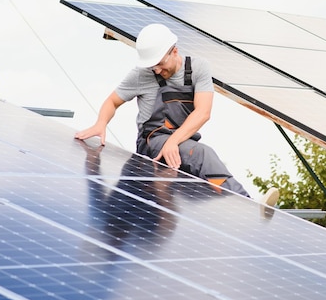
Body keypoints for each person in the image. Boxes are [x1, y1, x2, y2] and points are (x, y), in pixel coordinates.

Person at [75, 23, 279, 208]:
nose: (157, 69)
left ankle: (233, 210)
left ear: (174, 51)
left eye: (160, 63)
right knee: (201, 155)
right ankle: (249, 206)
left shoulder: (199, 69)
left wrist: (173, 141)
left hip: (180, 144)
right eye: (152, 65)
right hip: (151, 143)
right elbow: (112, 101)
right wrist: (101, 123)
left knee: (195, 194)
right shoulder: (142, 74)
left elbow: (203, 112)